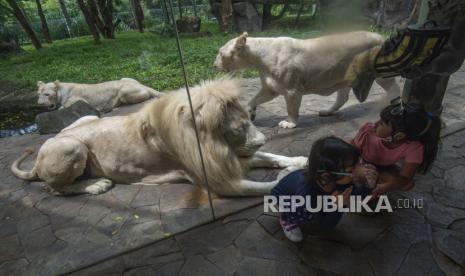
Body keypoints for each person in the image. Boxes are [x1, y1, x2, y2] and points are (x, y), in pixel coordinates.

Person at [271, 136, 377, 242]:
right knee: (304, 214)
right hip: (283, 198)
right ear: (326, 176)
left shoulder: (343, 179)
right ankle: (286, 219)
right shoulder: (307, 194)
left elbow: (357, 198)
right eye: (352, 169)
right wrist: (336, 207)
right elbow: (326, 225)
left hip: (307, 193)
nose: (359, 170)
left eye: (359, 163)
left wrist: (368, 186)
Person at [350, 98, 441, 198]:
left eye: (381, 123)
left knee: (407, 185)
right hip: (361, 162)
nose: (375, 124)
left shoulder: (414, 147)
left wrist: (384, 187)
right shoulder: (369, 131)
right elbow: (352, 150)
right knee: (359, 174)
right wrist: (360, 168)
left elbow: (405, 177)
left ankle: (372, 182)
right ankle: (365, 180)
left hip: (383, 168)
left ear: (399, 136)